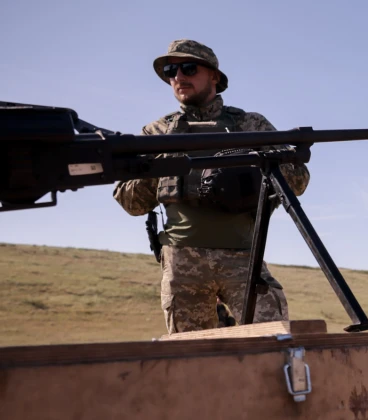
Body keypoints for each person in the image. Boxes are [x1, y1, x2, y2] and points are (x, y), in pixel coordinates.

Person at [113, 39, 310, 333]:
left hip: (244, 258)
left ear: (214, 76)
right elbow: (131, 203)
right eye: (171, 71)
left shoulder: (250, 125)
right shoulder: (157, 132)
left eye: (189, 68)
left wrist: (259, 163)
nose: (179, 77)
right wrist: (160, 164)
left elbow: (298, 181)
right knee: (193, 360)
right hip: (183, 262)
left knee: (273, 343)